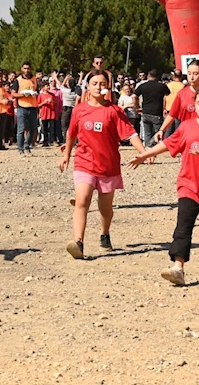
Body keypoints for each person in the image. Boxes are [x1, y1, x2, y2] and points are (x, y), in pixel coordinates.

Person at [128, 86, 199, 285]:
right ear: (194, 106)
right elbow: (169, 144)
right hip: (189, 184)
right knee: (183, 226)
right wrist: (145, 154)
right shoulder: (186, 126)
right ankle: (178, 267)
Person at [58, 69, 149, 260]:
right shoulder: (80, 110)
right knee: (82, 200)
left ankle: (105, 233)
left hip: (108, 166)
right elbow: (71, 133)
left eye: (102, 84)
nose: (99, 87)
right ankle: (79, 242)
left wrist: (143, 152)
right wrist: (66, 155)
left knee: (105, 209)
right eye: (95, 83)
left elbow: (130, 133)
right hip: (84, 162)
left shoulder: (114, 111)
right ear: (87, 87)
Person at [153, 60, 199, 145]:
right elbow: (172, 114)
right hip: (187, 136)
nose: (191, 77)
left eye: (195, 74)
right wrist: (162, 130)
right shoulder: (182, 93)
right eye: (189, 73)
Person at [135, 69, 170, 147]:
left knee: (147, 133)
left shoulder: (143, 86)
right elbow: (168, 94)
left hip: (146, 112)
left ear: (148, 76)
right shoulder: (161, 86)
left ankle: (148, 148)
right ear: (157, 77)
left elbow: (134, 96)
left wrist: (137, 107)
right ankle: (152, 147)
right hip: (157, 112)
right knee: (157, 133)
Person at [11, 62, 38, 155]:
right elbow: (13, 94)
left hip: (32, 107)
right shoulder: (17, 80)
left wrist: (34, 93)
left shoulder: (34, 79)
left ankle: (27, 146)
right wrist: (22, 95)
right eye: (25, 68)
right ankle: (20, 148)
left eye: (28, 68)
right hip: (22, 107)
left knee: (33, 129)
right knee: (21, 129)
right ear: (22, 69)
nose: (26, 70)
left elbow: (37, 90)